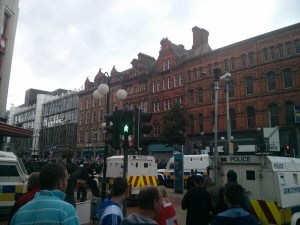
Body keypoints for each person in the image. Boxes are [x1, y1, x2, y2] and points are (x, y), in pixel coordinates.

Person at [10, 163, 79, 225]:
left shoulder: (20, 212)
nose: (67, 183)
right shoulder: (66, 211)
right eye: (66, 180)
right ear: (60, 183)